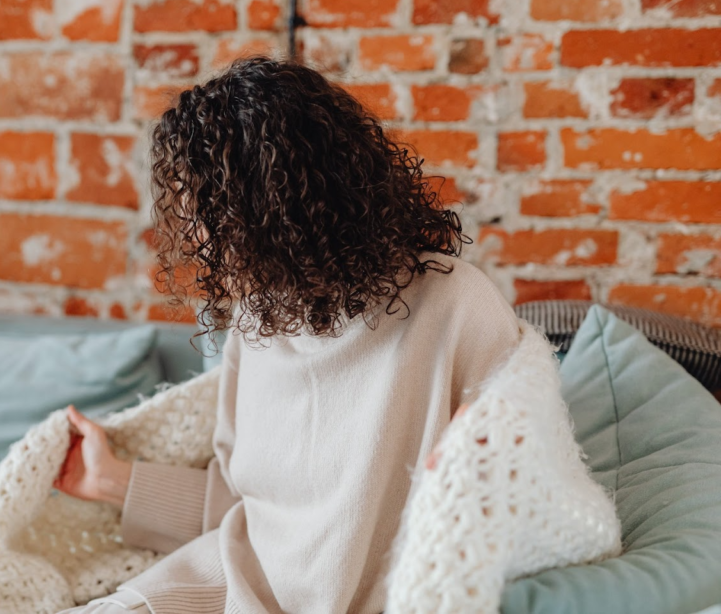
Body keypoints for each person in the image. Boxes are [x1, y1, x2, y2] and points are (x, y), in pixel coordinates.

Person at [55, 56, 521, 614]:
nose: (197, 235)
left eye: (214, 212)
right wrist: (114, 482)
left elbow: (509, 501)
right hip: (217, 588)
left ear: (284, 206)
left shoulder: (455, 307)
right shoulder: (255, 320)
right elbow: (248, 512)